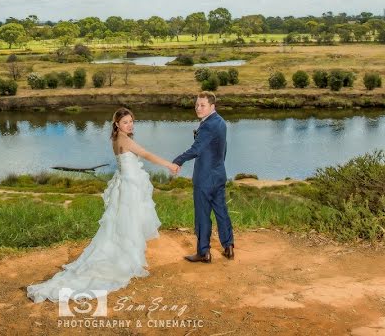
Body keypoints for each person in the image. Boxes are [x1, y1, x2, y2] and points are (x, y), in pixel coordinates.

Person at [26, 107, 179, 303]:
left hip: (125, 183)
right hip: (129, 186)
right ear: (117, 124)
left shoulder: (116, 138)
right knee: (128, 222)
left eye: (131, 121)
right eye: (125, 122)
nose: (130, 124)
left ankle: (128, 255)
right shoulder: (125, 140)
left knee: (122, 223)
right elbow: (147, 154)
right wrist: (169, 165)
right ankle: (127, 259)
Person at [170, 91, 234, 263]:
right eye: (197, 105)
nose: (198, 108)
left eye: (202, 105)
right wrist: (218, 166)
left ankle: (203, 252)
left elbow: (196, 149)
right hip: (219, 174)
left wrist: (177, 161)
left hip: (204, 178)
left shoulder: (206, 125)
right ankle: (228, 247)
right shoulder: (220, 121)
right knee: (221, 211)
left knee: (202, 214)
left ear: (212, 106)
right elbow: (223, 149)